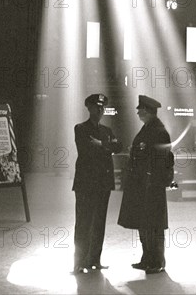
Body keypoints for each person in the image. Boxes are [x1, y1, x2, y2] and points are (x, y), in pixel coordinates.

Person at [118, 95, 173, 275]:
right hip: (141, 185)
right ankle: (147, 258)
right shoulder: (148, 129)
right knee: (144, 223)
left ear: (148, 111)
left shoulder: (159, 131)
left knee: (154, 224)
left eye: (140, 109)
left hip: (152, 186)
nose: (138, 111)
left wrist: (154, 180)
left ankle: (157, 261)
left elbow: (164, 160)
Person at [72, 93, 122, 274]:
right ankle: (79, 262)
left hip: (102, 183)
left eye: (102, 108)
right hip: (86, 183)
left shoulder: (106, 131)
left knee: (99, 223)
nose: (99, 111)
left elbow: (119, 146)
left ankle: (94, 260)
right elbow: (86, 150)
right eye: (96, 107)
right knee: (83, 222)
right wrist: (106, 146)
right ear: (89, 108)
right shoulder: (80, 128)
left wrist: (100, 144)